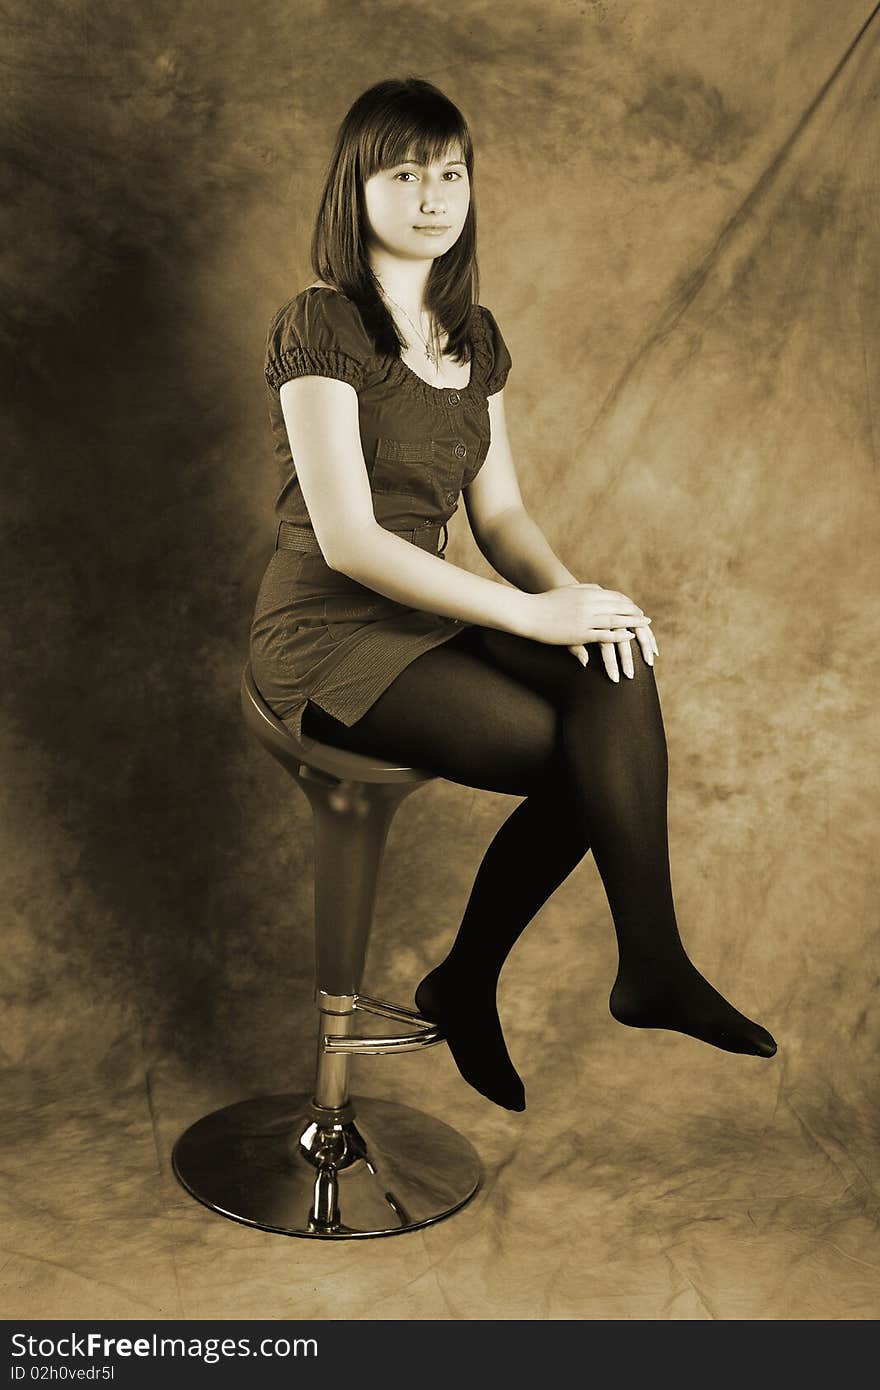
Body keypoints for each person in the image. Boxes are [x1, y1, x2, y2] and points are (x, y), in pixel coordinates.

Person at [249, 76, 777, 1113]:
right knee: (586, 758)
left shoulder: (474, 337)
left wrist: (577, 598)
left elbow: (502, 519)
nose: (433, 194)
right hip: (326, 635)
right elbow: (350, 541)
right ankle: (480, 978)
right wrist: (530, 615)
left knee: (613, 663)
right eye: (405, 173)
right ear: (356, 191)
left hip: (431, 612)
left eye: (450, 172)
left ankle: (645, 962)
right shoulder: (318, 325)